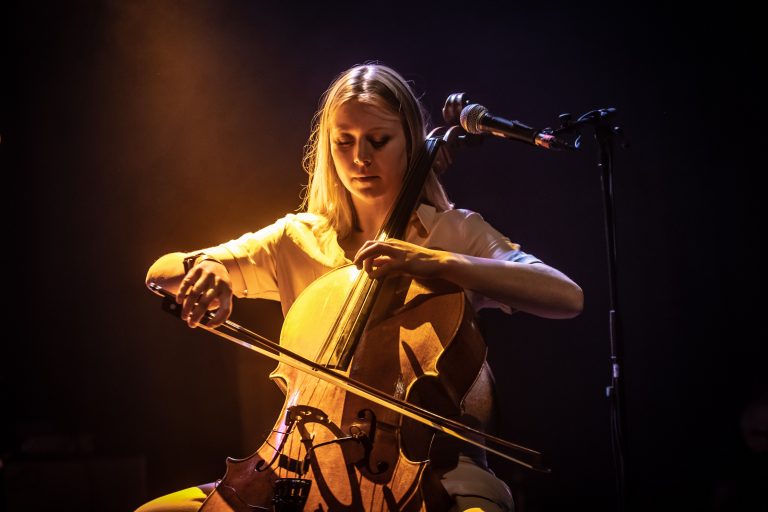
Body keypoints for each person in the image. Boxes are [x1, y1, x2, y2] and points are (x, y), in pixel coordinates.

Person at [140, 63, 583, 512]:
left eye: (378, 140)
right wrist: (208, 266)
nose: (360, 158)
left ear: (409, 141)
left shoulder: (454, 233)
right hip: (298, 467)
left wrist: (432, 261)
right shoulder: (298, 239)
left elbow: (566, 296)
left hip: (440, 468)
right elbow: (161, 272)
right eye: (344, 142)